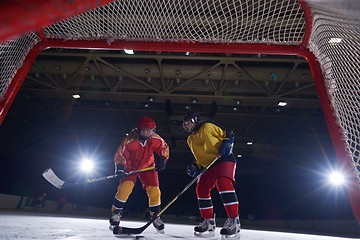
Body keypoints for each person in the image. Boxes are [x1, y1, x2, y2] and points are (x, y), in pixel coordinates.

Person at [182, 112, 240, 238]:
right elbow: (199, 156)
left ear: (195, 120)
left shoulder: (208, 126)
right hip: (208, 166)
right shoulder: (190, 139)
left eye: (189, 122)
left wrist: (227, 144)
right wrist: (195, 166)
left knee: (223, 183)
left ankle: (234, 221)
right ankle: (208, 221)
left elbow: (228, 133)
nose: (188, 125)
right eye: (186, 123)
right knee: (201, 188)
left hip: (223, 159)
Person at [109, 116, 169, 232]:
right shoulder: (130, 140)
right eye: (145, 130)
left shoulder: (155, 138)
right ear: (139, 129)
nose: (148, 132)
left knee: (154, 191)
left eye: (151, 130)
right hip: (131, 167)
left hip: (148, 167)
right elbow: (119, 155)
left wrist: (162, 159)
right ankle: (115, 213)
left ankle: (155, 216)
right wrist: (121, 168)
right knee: (125, 189)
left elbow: (164, 148)